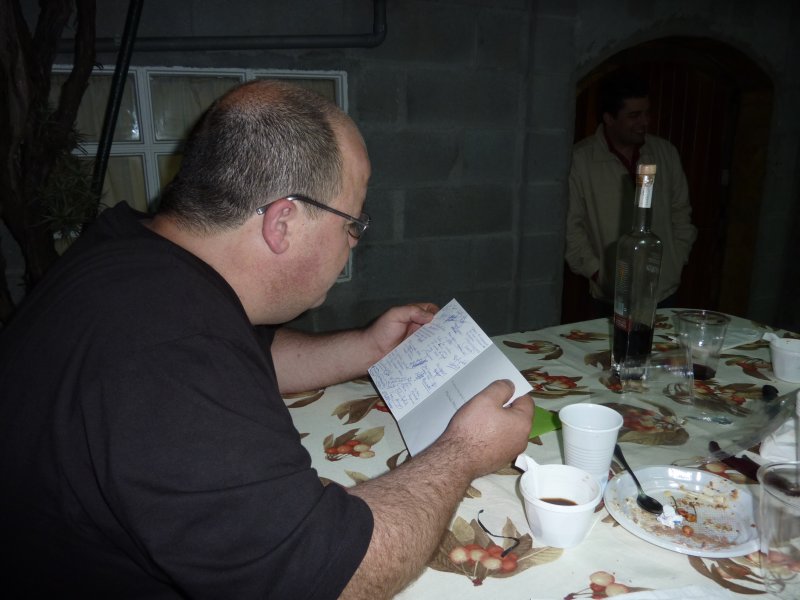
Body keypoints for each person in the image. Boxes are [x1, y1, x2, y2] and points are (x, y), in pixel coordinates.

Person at [0, 80, 533, 598]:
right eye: (353, 222)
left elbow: (242, 353)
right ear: (283, 223)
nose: (354, 241)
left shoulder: (141, 255)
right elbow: (333, 576)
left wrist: (368, 348)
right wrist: (464, 452)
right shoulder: (169, 350)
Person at [565, 70, 697, 317]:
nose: (644, 122)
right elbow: (571, 228)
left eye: (647, 113)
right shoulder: (580, 160)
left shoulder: (665, 153)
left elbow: (681, 213)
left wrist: (675, 261)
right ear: (609, 118)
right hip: (609, 296)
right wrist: (599, 273)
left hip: (663, 293)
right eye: (634, 115)